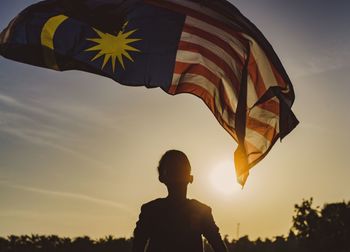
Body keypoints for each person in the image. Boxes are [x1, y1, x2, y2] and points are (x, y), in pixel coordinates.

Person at [132, 150, 227, 252]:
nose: (177, 175)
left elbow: (219, 247)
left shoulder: (202, 211)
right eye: (173, 170)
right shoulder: (151, 211)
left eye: (180, 170)